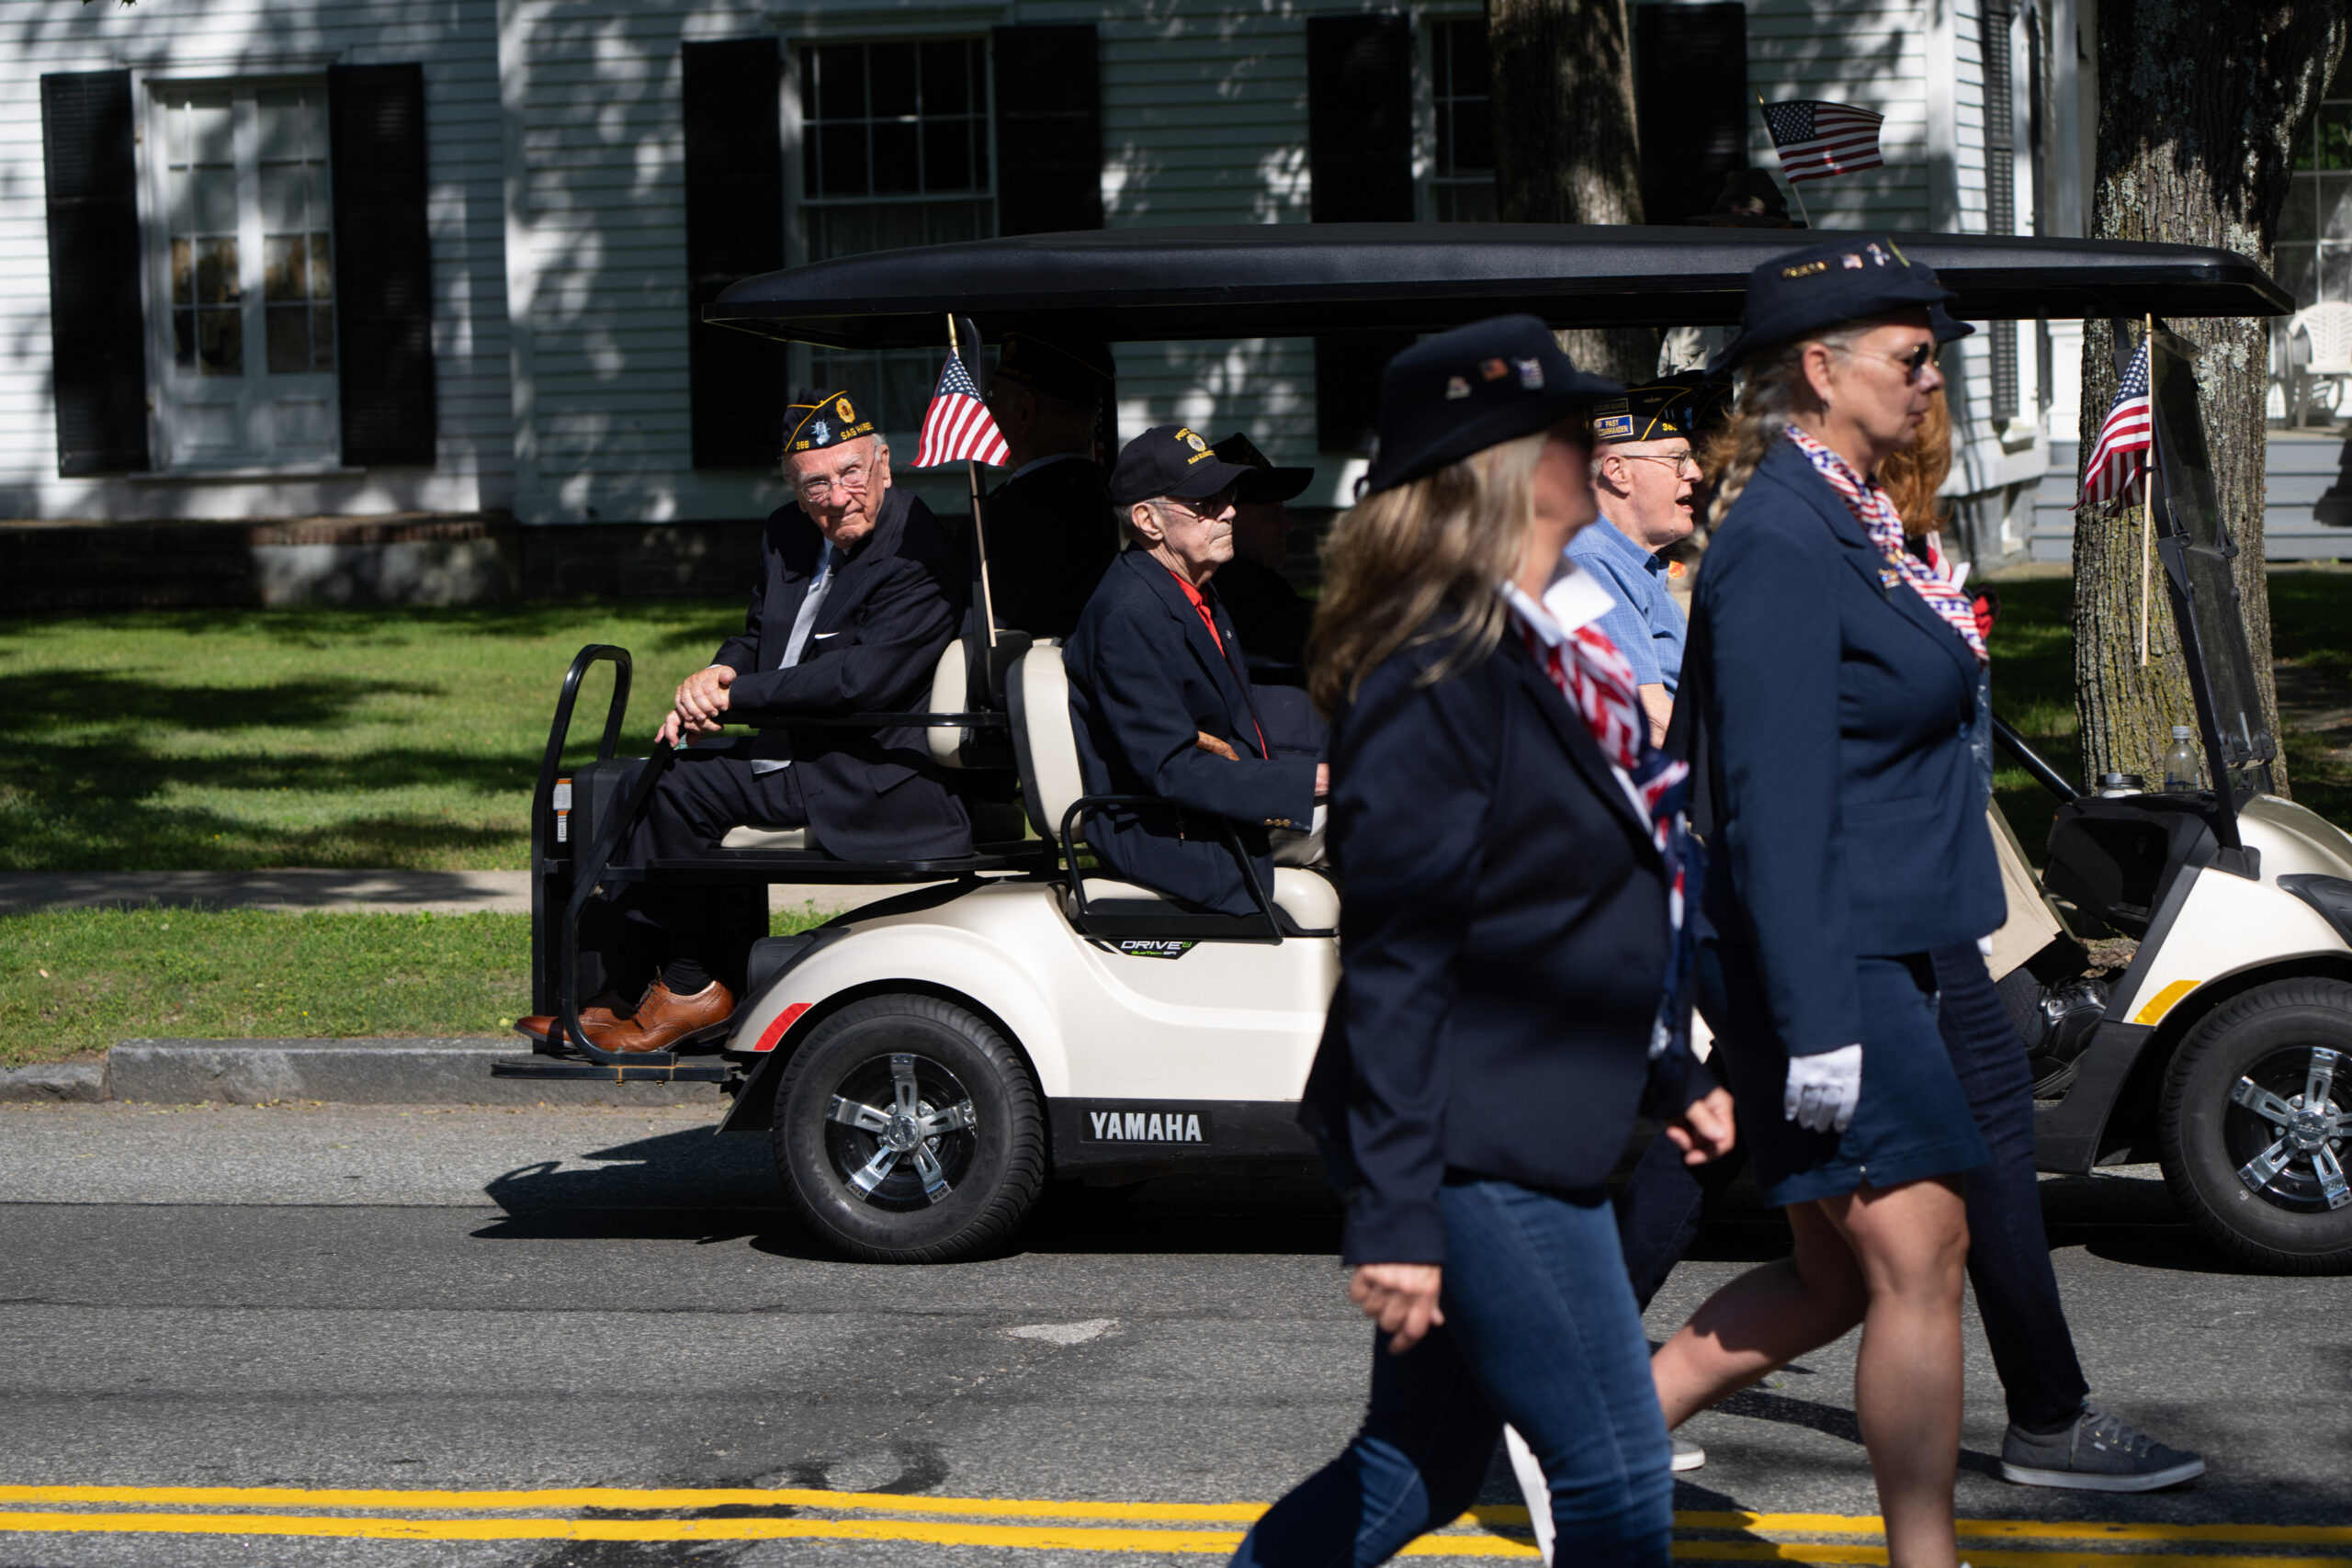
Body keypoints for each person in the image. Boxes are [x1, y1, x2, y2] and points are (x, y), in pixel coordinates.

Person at [1230, 316, 1734, 1568]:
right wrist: (1398, 1211)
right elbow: (1402, 949)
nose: (1594, 445)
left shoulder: (1546, 642)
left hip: (1528, 1104)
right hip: (1473, 1141)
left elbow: (1591, 893)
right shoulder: (1436, 670)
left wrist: (1671, 1072)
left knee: (1418, 1463)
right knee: (1617, 1478)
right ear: (1505, 466)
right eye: (1567, 428)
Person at [1645, 238, 1998, 1568]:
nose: (1930, 376)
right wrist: (1815, 1019)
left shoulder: (1843, 513)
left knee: (1838, 1274)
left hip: (1877, 932)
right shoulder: (1784, 539)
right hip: (1824, 949)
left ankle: (1598, 1431)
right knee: (1925, 1249)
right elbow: (1768, 800)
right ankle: (1927, 1557)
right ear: (1819, 365)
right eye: (1911, 354)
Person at [516, 389, 970, 1054]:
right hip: (798, 746)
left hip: (869, 768)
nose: (839, 496)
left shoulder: (917, 548)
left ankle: (689, 987)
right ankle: (630, 991)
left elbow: (858, 681)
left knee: (677, 788)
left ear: (885, 464)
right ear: (793, 486)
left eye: (853, 474)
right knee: (640, 773)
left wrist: (738, 699)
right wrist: (717, 676)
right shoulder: (787, 532)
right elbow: (760, 636)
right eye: (817, 483)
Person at [1062, 425, 1324, 917]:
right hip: (1175, 834)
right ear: (1148, 520)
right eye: (1204, 503)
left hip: (1216, 815)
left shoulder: (1193, 587)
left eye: (1227, 496)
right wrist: (1308, 782)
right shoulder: (1129, 613)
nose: (1228, 511)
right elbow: (1171, 767)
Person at [1574, 378, 1707, 742]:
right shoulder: (1593, 562)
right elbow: (1652, 722)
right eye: (1678, 459)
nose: (1695, 472)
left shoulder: (1636, 562)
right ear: (1618, 472)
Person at [972, 330, 1119, 640]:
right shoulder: (1101, 493)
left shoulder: (1013, 517)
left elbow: (973, 634)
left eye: (992, 397)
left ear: (1025, 411)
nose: (987, 411)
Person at [1206, 431, 1327, 765]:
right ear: (1227, 516)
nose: (1288, 524)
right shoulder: (1233, 589)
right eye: (1272, 512)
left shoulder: (1249, 584)